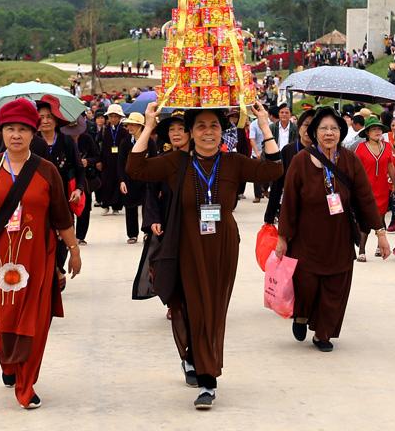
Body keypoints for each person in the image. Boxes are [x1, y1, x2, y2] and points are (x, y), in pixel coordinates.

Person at [125, 101, 282, 410]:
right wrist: (149, 124)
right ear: (191, 133)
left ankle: (205, 373)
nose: (208, 132)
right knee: (194, 307)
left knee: (213, 309)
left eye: (214, 126)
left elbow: (274, 169)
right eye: (201, 126)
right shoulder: (176, 162)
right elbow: (135, 167)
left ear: (222, 131)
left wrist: (265, 126)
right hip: (186, 246)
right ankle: (205, 374)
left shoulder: (233, 162)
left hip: (222, 246)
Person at [0, 98, 81, 409]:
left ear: (33, 133)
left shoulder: (46, 171)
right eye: (10, 129)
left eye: (23, 129)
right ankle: (8, 362)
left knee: (34, 323)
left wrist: (74, 249)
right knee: (5, 322)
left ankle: (26, 385)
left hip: (39, 258)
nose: (16, 135)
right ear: (2, 132)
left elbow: (62, 217)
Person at [277, 106, 388, 351]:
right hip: (306, 238)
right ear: (315, 133)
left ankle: (323, 334)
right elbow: (290, 203)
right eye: (324, 128)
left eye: (334, 129)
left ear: (340, 133)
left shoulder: (349, 160)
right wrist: (283, 237)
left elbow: (365, 197)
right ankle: (302, 314)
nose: (329, 133)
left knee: (335, 286)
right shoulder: (300, 161)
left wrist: (380, 233)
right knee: (306, 283)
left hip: (339, 237)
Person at [34, 95, 85, 268]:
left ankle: (58, 268)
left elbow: (79, 169)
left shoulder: (67, 142)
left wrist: (78, 190)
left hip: (63, 197)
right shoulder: (31, 142)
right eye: (41, 117)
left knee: (64, 233)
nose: (45, 121)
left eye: (49, 117)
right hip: (37, 199)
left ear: (56, 120)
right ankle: (48, 270)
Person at [354, 117, 395, 262]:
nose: (377, 131)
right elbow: (356, 169)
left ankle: (380, 246)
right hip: (366, 189)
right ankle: (361, 250)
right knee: (365, 219)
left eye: (379, 129)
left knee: (380, 216)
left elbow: (390, 165)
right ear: (367, 132)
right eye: (374, 129)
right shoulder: (360, 148)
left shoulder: (387, 146)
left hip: (383, 188)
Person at [264, 108, 316, 224]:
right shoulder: (288, 150)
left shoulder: (323, 152)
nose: (309, 130)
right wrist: (269, 217)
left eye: (314, 126)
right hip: (290, 208)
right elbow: (277, 185)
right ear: (299, 127)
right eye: (306, 125)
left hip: (315, 211)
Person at [119, 112, 151, 244]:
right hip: (129, 180)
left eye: (133, 124)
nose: (130, 127)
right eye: (129, 124)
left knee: (147, 207)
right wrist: (121, 180)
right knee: (130, 208)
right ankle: (132, 234)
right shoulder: (125, 142)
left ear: (140, 126)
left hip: (146, 180)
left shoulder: (149, 142)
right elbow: (120, 163)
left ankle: (147, 232)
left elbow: (155, 161)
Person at [97, 104, 129, 215]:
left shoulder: (124, 131)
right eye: (111, 116)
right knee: (106, 183)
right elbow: (102, 147)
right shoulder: (105, 130)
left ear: (120, 117)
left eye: (116, 116)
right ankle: (105, 205)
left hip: (120, 161)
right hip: (107, 161)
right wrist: (100, 160)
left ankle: (116, 206)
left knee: (118, 182)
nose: (113, 119)